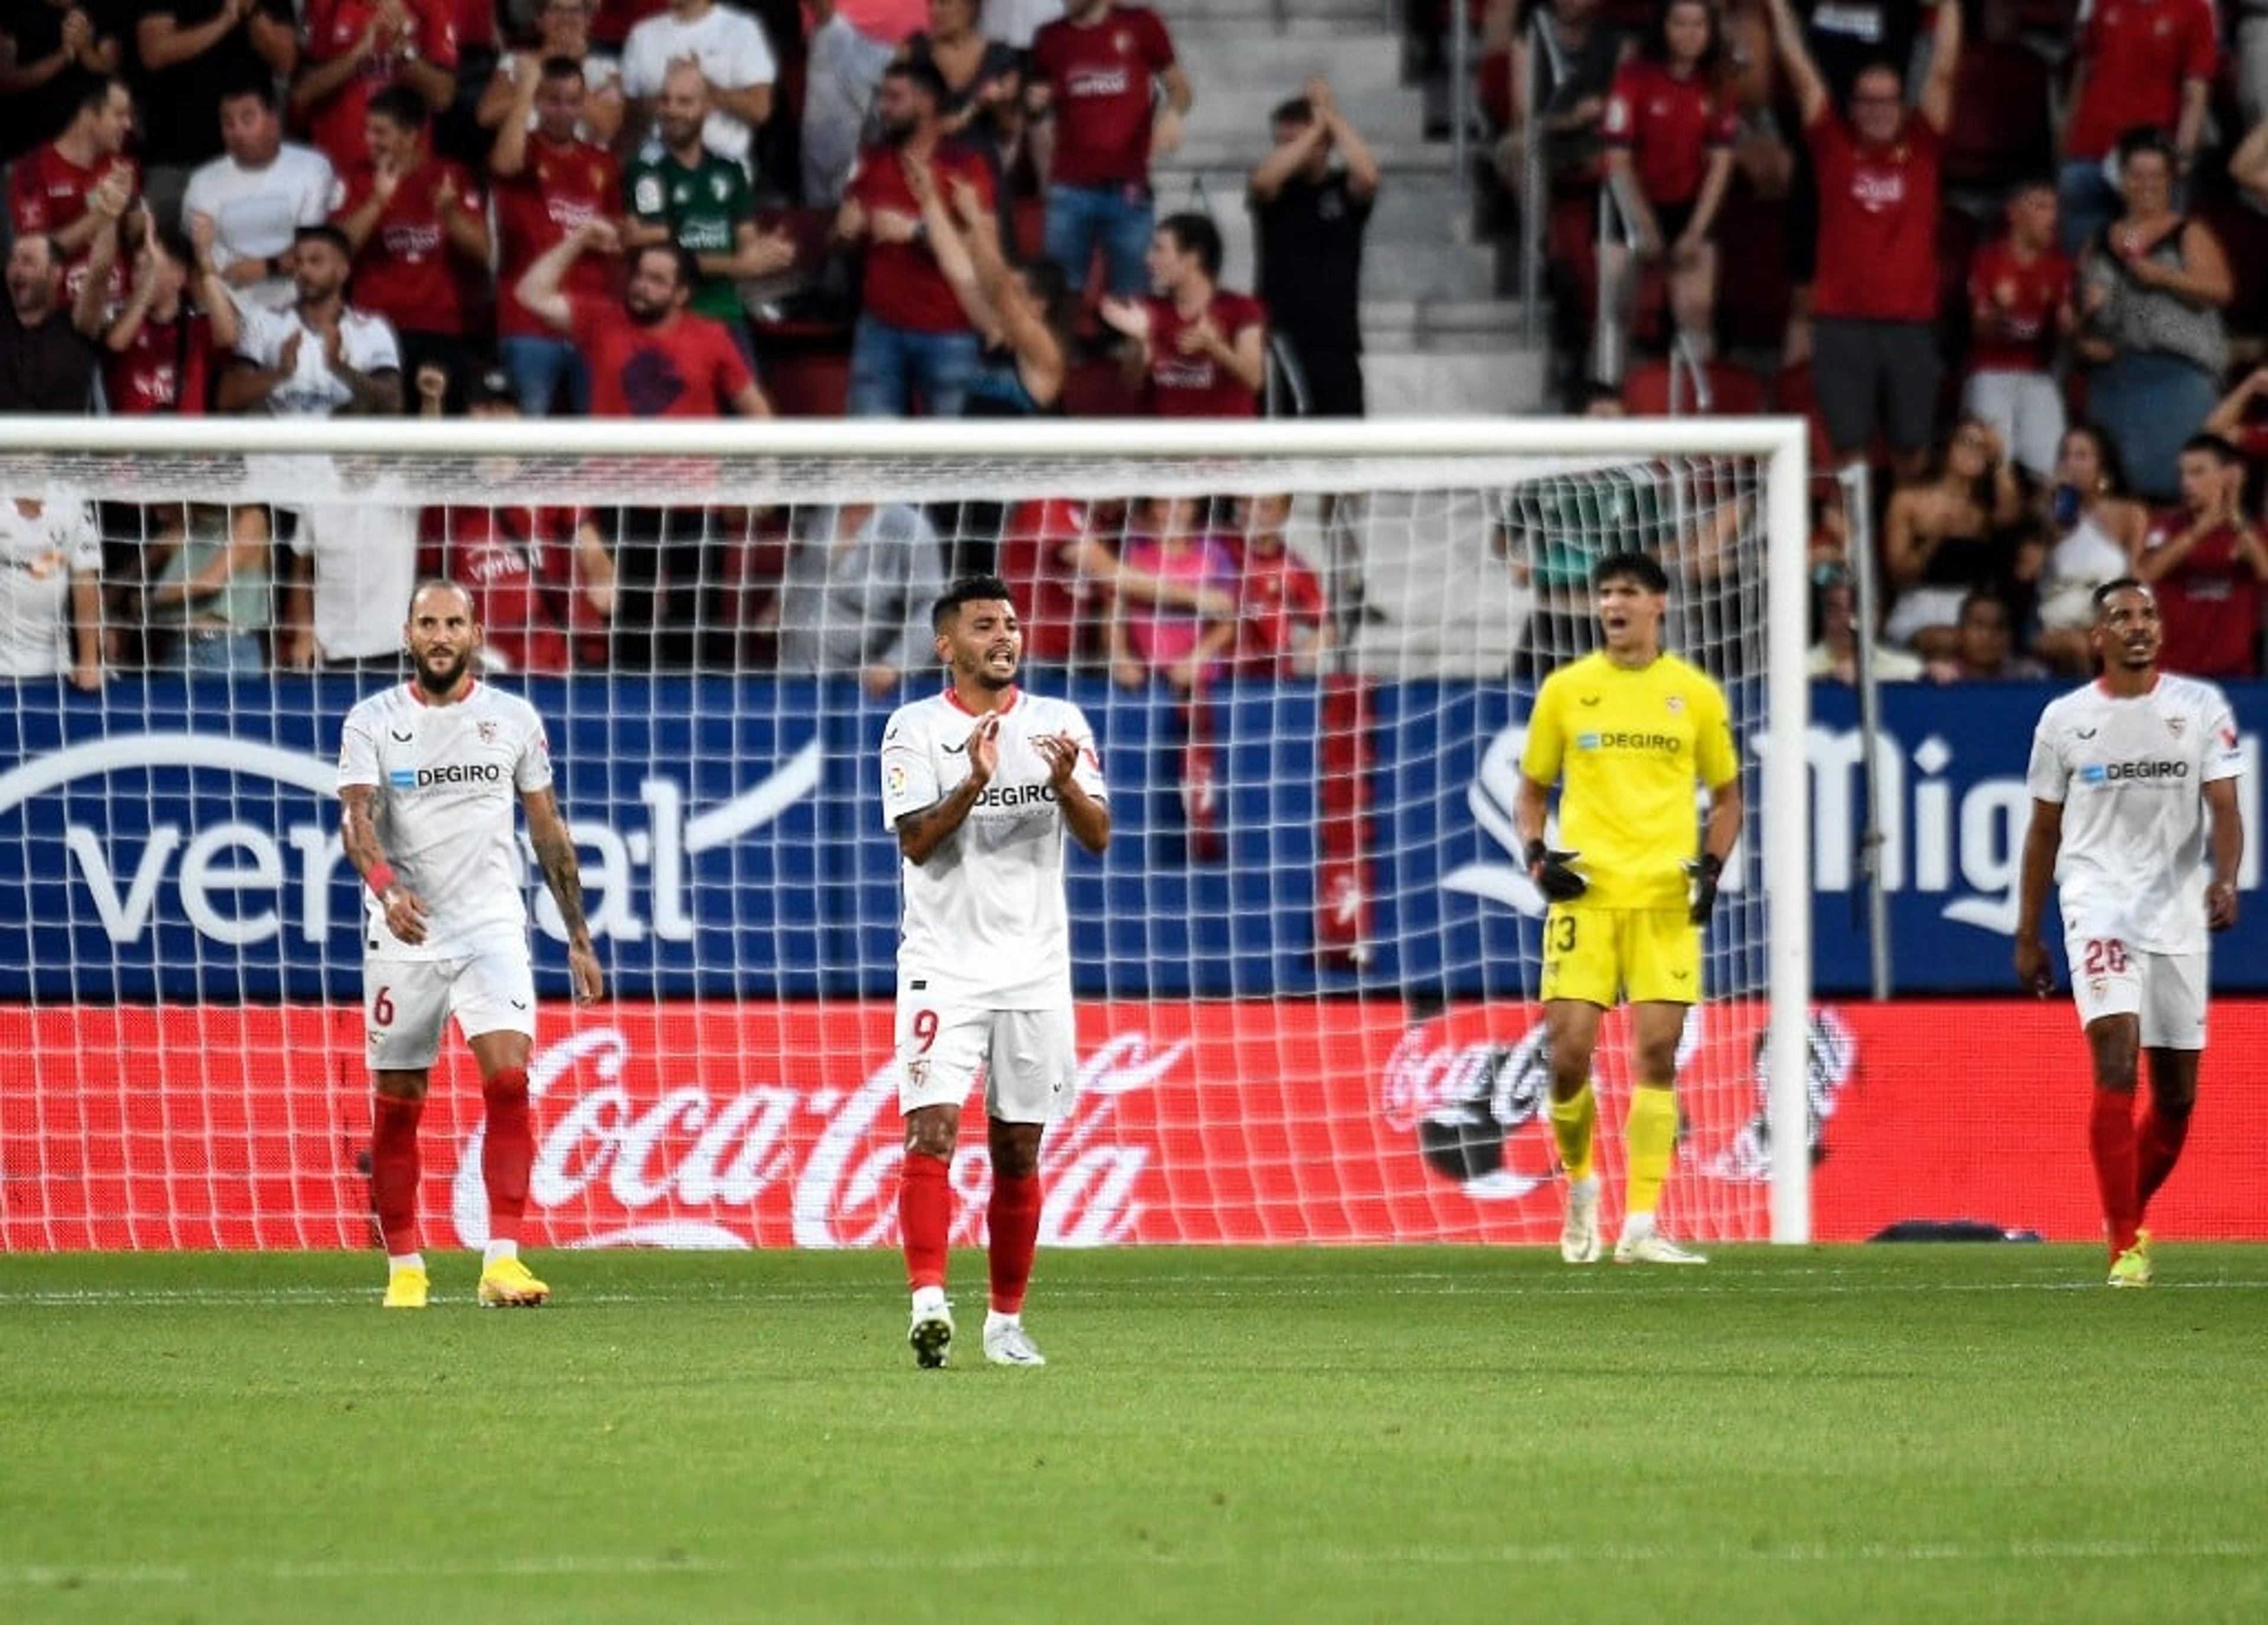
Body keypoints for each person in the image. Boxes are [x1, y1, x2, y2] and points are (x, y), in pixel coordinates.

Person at [337, 577, 604, 1309]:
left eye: (454, 622)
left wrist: (577, 935)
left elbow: (547, 829)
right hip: (407, 934)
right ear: (408, 633)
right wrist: (387, 889)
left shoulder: (513, 718)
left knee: (510, 1081)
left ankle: (503, 1259)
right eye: (428, 622)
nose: (441, 635)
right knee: (399, 1101)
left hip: (491, 927)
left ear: (475, 633)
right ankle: (406, 1269)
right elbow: (356, 822)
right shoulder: (373, 720)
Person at [878, 572, 1110, 1367]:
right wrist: (974, 781)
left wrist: (1064, 783)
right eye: (984, 626)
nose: (1004, 636)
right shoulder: (912, 728)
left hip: (1036, 970)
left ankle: (1005, 1323)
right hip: (943, 967)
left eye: (1010, 623)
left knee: (1017, 1153)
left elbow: (1100, 833)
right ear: (948, 645)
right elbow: (915, 841)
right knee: (931, 1130)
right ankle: (929, 1303)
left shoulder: (1059, 724)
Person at [1511, 549, 1742, 1266]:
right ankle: (1582, 1186)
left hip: (1663, 901)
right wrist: (1536, 857)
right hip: (1589, 896)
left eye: (1629, 593)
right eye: (1606, 592)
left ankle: (1640, 1224)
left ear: (1659, 604)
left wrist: (1711, 864)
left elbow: (1729, 798)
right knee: (1569, 1056)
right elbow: (1531, 791)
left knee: (1657, 1055)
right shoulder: (1566, 690)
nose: (1614, 604)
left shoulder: (1694, 695)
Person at [2015, 577, 2243, 1287]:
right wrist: (2028, 931)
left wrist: (2226, 876)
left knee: (2176, 1097)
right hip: (2097, 903)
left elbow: (2226, 808)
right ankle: (2124, 1246)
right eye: (2121, 617)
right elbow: (2044, 830)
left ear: (2161, 631)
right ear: (2098, 638)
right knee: (2116, 1056)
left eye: (2147, 615)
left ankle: (2127, 1208)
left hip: (2175, 910)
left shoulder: (2200, 707)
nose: (2138, 626)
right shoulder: (2064, 719)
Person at [1765, 0, 1959, 482]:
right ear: (1853, 106)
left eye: (1887, 100)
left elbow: (1944, 72)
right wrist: (1775, 8)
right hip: (1841, 324)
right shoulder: (1833, 145)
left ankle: (1897, 549)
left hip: (1911, 324)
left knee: (1912, 451)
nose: (1878, 110)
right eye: (1868, 101)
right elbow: (1800, 70)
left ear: (1901, 103)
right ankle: (1859, 554)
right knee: (1848, 452)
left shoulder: (1923, 145)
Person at [2073, 128, 2231, 504]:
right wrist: (2081, 336)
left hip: (2178, 373)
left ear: (2170, 181)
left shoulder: (2189, 233)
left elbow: (2220, 290)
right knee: (2113, 495)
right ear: (2122, 180)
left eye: (2156, 176)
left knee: (2184, 491)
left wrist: (2163, 276)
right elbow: (2074, 313)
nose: (2146, 185)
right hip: (2115, 377)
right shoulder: (2097, 242)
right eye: (2136, 175)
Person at [1599, 0, 1735, 366]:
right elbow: (1618, 160)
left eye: (1699, 25)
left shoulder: (1720, 82)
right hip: (1631, 200)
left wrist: (1695, 230)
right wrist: (1642, 224)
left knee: (1697, 308)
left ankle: (1697, 403)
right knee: (1616, 304)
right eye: (1680, 24)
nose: (1690, 34)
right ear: (1664, 27)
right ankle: (1608, 393)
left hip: (1690, 203)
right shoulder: (1634, 77)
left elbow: (1721, 165)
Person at [1025, 0, 1190, 300]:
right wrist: (1034, 105)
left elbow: (1181, 89)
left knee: (1133, 297)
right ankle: (1057, 348)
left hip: (1128, 189)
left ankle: (1127, 348)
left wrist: (1173, 116)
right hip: (1069, 189)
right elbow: (1035, 105)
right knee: (1056, 295)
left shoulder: (1141, 24)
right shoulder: (1050, 38)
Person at [1248, 75, 1377, 418]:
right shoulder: (1276, 191)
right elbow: (1263, 181)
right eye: (1283, 142)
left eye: (1300, 140)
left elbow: (1368, 176)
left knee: (1341, 453)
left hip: (1337, 343)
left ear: (1324, 143)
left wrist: (1329, 117)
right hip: (1282, 341)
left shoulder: (1341, 189)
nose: (1290, 150)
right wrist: (1314, 130)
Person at [182, 80, 342, 314]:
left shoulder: (313, 168)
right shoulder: (202, 183)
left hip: (301, 311)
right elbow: (198, 266)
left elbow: (320, 249)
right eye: (228, 123)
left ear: (273, 121)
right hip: (231, 315)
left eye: (247, 120)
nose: (237, 131)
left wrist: (268, 267)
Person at [2133, 433, 2267, 679]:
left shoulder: (2253, 532)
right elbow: (2144, 574)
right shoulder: (2166, 527)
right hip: (2173, 676)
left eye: (2197, 473)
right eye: (2183, 474)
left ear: (2229, 476)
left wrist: (2234, 515)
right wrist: (2197, 533)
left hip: (2235, 678)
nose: (2186, 483)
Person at [0, 495, 103, 689]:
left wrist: (89, 661)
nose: (27, 462)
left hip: (54, 665)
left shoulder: (72, 501)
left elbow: (85, 583)